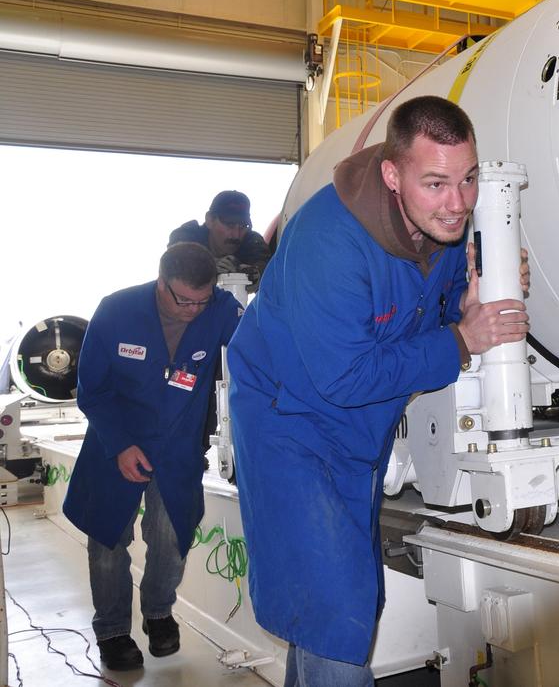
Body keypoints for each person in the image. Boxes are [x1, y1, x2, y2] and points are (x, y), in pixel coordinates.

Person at [228, 95, 529, 686]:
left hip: (357, 432)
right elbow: (343, 377)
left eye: (468, 180)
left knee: (329, 603)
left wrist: (465, 302)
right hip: (289, 425)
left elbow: (424, 309)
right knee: (340, 605)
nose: (459, 203)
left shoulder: (437, 228)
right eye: (437, 183)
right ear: (393, 175)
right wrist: (462, 340)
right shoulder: (329, 241)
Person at [63, 242, 243, 671]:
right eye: (184, 300)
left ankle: (159, 612)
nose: (193, 310)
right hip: (116, 445)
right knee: (109, 542)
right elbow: (92, 391)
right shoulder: (116, 311)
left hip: (177, 448)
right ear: (162, 284)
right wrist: (121, 444)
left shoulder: (220, 310)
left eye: (203, 300)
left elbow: (260, 352)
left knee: (171, 538)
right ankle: (112, 631)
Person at [169, 190, 271, 285]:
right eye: (229, 225)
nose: (236, 235)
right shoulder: (189, 235)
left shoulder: (251, 241)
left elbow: (268, 267)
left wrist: (254, 274)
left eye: (243, 226)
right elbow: (176, 260)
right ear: (209, 220)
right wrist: (210, 266)